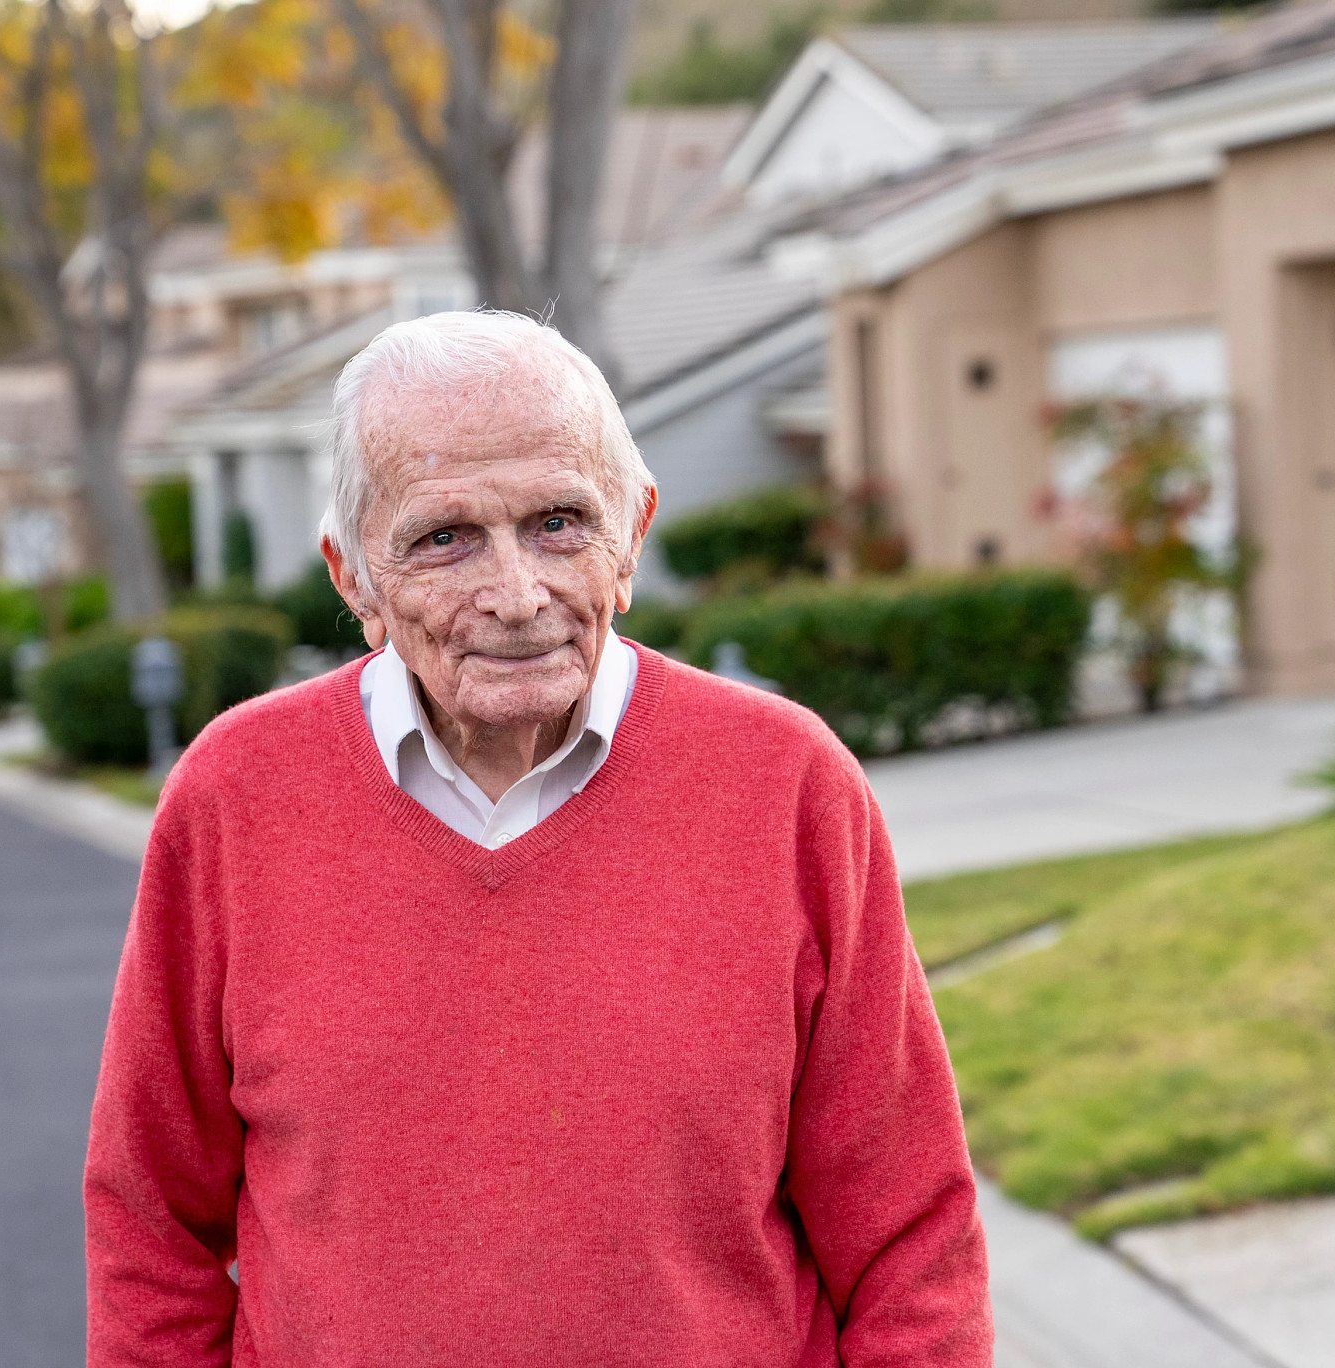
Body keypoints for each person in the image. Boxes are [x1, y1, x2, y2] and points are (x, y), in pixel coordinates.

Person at [83, 311, 991, 1367]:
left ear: (632, 535)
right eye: (443, 538)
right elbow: (149, 1226)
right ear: (353, 579)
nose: (515, 597)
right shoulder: (233, 797)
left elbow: (907, 1235)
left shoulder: (788, 787)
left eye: (558, 522)